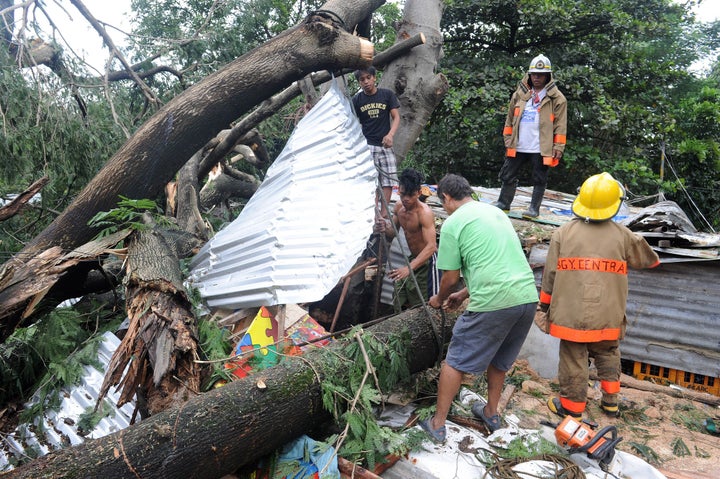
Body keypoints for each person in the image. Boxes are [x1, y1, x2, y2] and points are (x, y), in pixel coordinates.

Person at [419, 174, 539, 443]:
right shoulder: (495, 212)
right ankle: (491, 413)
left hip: (494, 302)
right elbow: (496, 262)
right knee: (500, 360)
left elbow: (449, 277)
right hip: (526, 297)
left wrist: (439, 298)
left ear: (447, 198)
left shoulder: (453, 224)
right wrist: (463, 294)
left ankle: (437, 424)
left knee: (456, 361)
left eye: (444, 202)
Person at [539, 172, 660, 419]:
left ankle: (572, 409)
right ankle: (611, 403)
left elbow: (550, 275)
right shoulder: (624, 235)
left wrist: (544, 306)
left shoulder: (563, 233)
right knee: (608, 353)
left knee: (573, 359)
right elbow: (650, 261)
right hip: (607, 315)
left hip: (570, 315)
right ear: (613, 205)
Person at [495, 54, 567, 217]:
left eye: (540, 75)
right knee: (508, 174)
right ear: (529, 74)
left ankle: (533, 209)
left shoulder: (557, 99)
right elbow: (510, 118)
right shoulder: (520, 94)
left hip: (540, 146)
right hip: (518, 143)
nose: (536, 77)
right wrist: (507, 138)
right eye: (534, 74)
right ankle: (504, 203)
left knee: (539, 177)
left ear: (547, 76)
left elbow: (561, 125)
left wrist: (558, 147)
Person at [375, 168, 438, 312]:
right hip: (412, 258)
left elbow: (431, 246)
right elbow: (392, 233)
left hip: (428, 262)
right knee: (399, 295)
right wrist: (384, 227)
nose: (406, 199)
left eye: (410, 195)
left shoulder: (425, 213)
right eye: (403, 194)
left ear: (419, 193)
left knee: (422, 303)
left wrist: (408, 269)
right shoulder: (399, 207)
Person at [352, 66, 401, 219]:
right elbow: (353, 122)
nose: (366, 82)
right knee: (370, 181)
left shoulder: (387, 95)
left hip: (385, 145)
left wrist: (390, 135)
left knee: (387, 181)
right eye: (362, 79)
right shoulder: (357, 100)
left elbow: (396, 117)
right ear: (359, 82)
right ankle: (374, 215)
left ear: (374, 77)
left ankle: (385, 213)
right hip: (368, 146)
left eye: (368, 78)